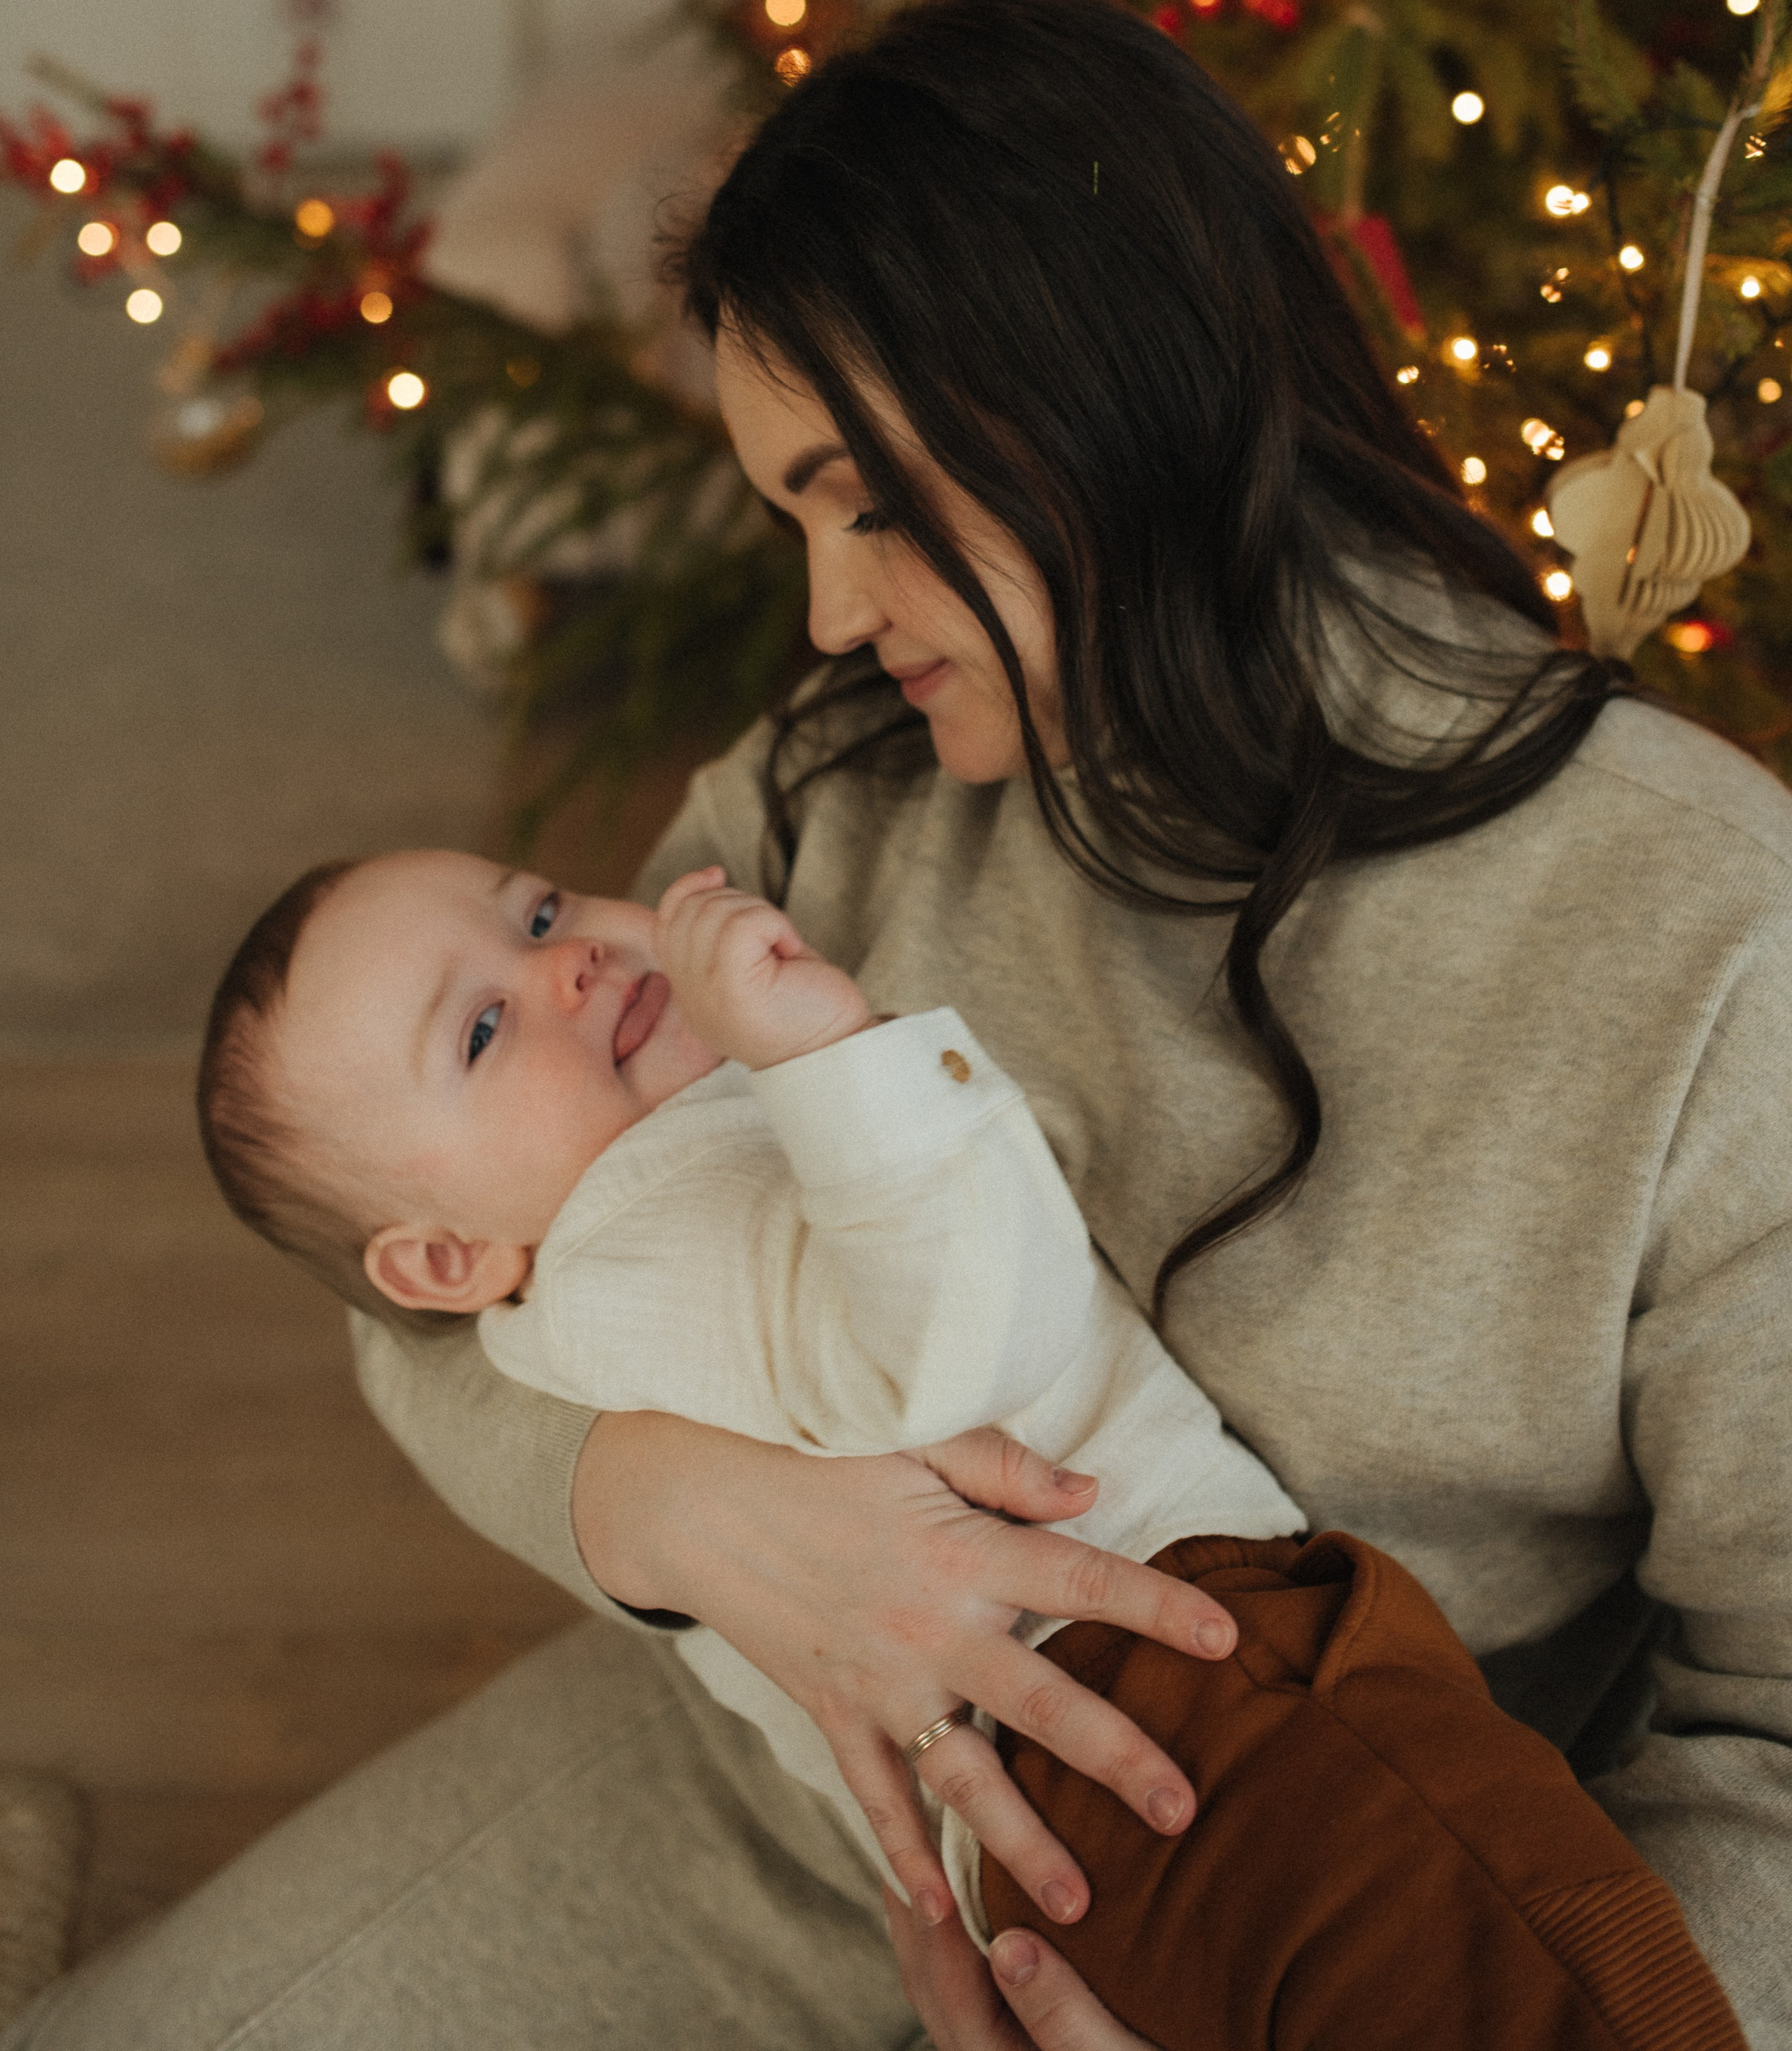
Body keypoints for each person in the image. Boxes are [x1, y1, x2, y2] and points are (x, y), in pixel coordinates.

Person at [13, 0, 1789, 2051]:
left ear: (1105, 398)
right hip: (792, 1780)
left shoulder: (1703, 939)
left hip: (1313, 1916)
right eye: (792, 513)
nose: (828, 615)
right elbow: (409, 1250)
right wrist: (678, 1512)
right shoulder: (836, 776)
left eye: (866, 503)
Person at [187, 848, 1748, 2050]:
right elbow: (959, 1347)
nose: (570, 970)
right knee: (1555, 1986)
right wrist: (838, 1056)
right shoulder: (652, 1217)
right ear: (445, 1269)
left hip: (1068, 1819)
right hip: (1181, 1699)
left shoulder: (572, 1291)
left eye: (533, 917)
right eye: (480, 1027)